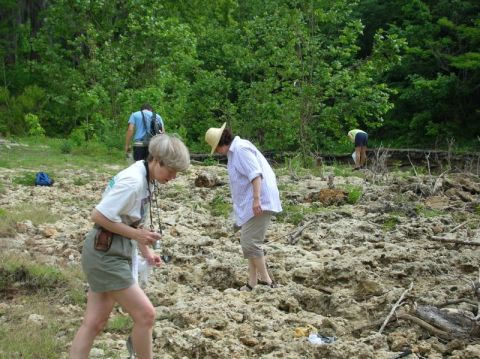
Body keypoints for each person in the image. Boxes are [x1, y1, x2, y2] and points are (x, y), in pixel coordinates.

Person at [70, 134, 190, 359]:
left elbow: (132, 219)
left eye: (177, 172)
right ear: (156, 160)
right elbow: (98, 215)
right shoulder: (133, 182)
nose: (173, 177)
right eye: (171, 170)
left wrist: (146, 250)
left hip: (114, 249)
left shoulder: (147, 177)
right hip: (105, 252)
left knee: (94, 322)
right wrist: (138, 235)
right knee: (146, 315)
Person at [205, 123, 282, 291]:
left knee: (250, 243)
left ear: (220, 144)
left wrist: (256, 200)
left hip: (260, 200)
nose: (217, 152)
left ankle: (267, 282)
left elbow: (255, 175)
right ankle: (252, 282)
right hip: (254, 202)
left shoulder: (240, 149)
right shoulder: (236, 151)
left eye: (215, 148)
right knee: (249, 242)